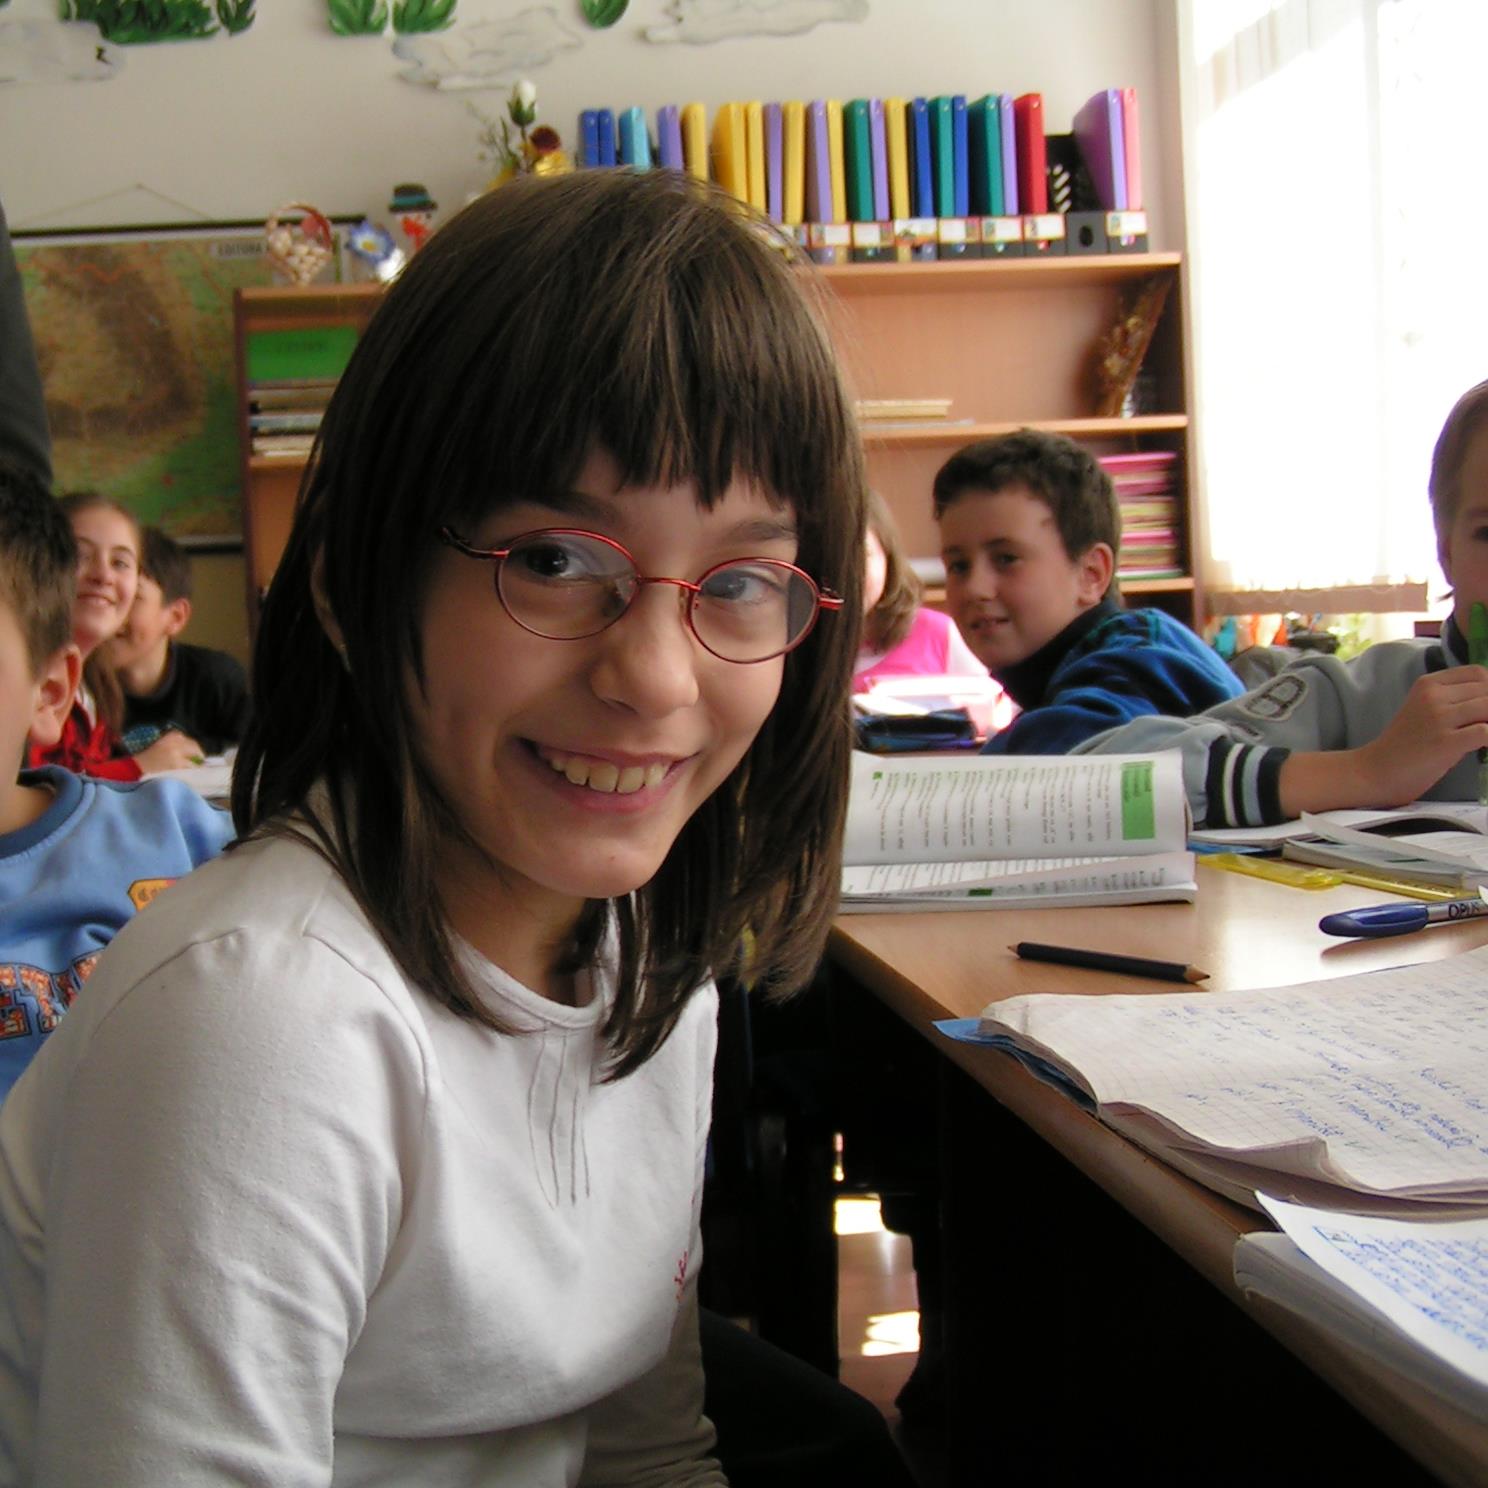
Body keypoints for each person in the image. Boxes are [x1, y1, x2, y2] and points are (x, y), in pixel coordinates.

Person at [0, 171, 913, 1486]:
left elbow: (646, 1451)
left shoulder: (647, 959)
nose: (657, 679)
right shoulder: (261, 1025)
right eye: (553, 560)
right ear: (351, 585)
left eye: (742, 580)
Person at [1077, 379, 1488, 826]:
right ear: (1447, 552)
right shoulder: (1361, 699)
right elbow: (1082, 783)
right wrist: (1367, 771)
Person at [0, 462, 232, 1102]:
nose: (104, 575)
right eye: (87, 557)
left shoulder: (177, 833)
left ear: (50, 692)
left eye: (122, 561)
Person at [934, 428, 1243, 754]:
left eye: (1006, 559)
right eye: (958, 566)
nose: (975, 588)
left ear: (1091, 574)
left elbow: (1061, 763)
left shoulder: (1138, 662)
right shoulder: (1072, 669)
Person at [26, 493, 203, 780]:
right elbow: (28, 789)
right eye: (80, 556)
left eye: (120, 563)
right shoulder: (24, 678)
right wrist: (137, 767)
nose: (103, 576)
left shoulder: (98, 685)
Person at [107, 524, 251, 757]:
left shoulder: (217, 679)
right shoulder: (80, 689)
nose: (110, 612)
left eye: (133, 597)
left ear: (175, 617)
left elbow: (256, 750)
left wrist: (199, 750)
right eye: (104, 598)